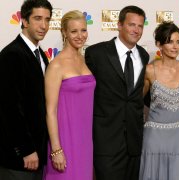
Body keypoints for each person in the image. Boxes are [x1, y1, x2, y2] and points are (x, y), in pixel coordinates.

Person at [85, 5, 149, 180]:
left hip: (134, 142)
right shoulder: (96, 53)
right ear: (119, 25)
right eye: (131, 24)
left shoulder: (143, 55)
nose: (136, 30)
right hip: (106, 140)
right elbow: (85, 96)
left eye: (140, 26)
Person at [0, 0, 52, 180]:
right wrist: (26, 149)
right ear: (25, 21)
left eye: (47, 20)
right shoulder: (12, 55)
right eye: (38, 19)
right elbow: (9, 109)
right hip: (18, 159)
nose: (43, 25)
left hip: (37, 155)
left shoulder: (40, 55)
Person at [44, 10, 95, 180]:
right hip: (65, 138)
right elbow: (50, 111)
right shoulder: (56, 66)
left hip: (85, 140)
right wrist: (56, 149)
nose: (80, 36)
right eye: (74, 31)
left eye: (83, 30)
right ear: (64, 32)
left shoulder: (83, 59)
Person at [139, 21, 179, 180]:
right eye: (169, 42)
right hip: (155, 138)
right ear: (159, 44)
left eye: (178, 42)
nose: (175, 46)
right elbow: (137, 101)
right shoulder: (150, 70)